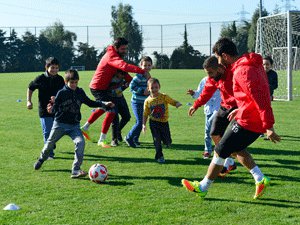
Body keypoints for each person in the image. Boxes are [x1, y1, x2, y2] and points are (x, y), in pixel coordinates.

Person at [182, 38, 280, 199]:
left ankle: (202, 187)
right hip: (244, 116)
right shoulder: (245, 66)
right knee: (227, 147)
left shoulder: (242, 71)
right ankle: (259, 178)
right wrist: (240, 109)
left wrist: (269, 126)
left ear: (225, 56)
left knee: (221, 150)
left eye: (219, 58)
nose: (219, 62)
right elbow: (251, 95)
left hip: (250, 122)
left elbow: (261, 98)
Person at [33, 69, 114, 178]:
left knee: (80, 143)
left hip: (74, 126)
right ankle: (41, 159)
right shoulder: (61, 93)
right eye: (72, 82)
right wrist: (51, 109)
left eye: (76, 82)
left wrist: (104, 104)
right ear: (66, 82)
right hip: (59, 125)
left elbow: (90, 102)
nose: (74, 85)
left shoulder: (80, 92)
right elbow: (54, 108)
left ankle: (75, 170)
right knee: (49, 145)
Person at [81, 37, 149, 148]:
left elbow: (125, 73)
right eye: (123, 49)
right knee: (112, 111)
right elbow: (124, 66)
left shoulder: (115, 55)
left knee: (105, 108)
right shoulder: (112, 56)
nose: (125, 51)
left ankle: (85, 128)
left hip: (106, 89)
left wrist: (139, 84)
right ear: (116, 48)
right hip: (98, 88)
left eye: (126, 48)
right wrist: (142, 71)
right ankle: (102, 140)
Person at [188, 56, 237, 176]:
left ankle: (257, 175)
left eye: (210, 72)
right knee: (214, 134)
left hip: (238, 108)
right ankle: (229, 161)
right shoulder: (212, 79)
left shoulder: (233, 73)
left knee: (234, 144)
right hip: (224, 107)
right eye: (207, 73)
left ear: (219, 68)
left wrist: (241, 108)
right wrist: (196, 105)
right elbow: (206, 92)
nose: (209, 75)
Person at [27, 57, 65, 159]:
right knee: (47, 132)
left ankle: (51, 144)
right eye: (52, 67)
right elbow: (30, 88)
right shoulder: (40, 78)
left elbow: (64, 93)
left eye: (57, 68)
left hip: (57, 110)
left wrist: (57, 99)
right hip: (44, 110)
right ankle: (49, 154)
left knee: (56, 131)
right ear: (46, 67)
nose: (54, 70)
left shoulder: (60, 79)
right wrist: (29, 101)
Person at [142, 78, 182, 163]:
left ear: (159, 87)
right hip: (153, 123)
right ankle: (159, 156)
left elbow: (172, 101)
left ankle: (167, 142)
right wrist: (143, 124)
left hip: (164, 122)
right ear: (148, 89)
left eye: (156, 87)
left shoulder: (164, 96)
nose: (154, 89)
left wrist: (177, 103)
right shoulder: (147, 101)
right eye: (152, 88)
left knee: (167, 141)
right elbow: (145, 114)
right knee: (157, 140)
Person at [187, 76, 221, 159]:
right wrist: (193, 93)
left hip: (219, 107)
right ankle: (207, 150)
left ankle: (221, 150)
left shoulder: (221, 78)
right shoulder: (204, 80)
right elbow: (199, 94)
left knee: (213, 129)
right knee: (207, 131)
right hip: (208, 109)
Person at [125, 56, 152, 148]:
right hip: (136, 102)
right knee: (140, 122)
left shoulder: (149, 77)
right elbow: (131, 87)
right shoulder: (138, 76)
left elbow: (151, 87)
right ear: (141, 65)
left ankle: (135, 138)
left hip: (145, 103)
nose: (147, 67)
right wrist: (141, 91)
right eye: (145, 65)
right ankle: (129, 137)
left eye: (149, 65)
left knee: (141, 122)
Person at [109, 70, 131, 147]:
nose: (123, 75)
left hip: (121, 98)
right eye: (121, 73)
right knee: (115, 120)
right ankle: (114, 139)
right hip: (112, 100)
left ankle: (118, 131)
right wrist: (124, 87)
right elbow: (113, 92)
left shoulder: (123, 77)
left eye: (124, 74)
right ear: (117, 72)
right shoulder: (111, 79)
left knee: (127, 117)